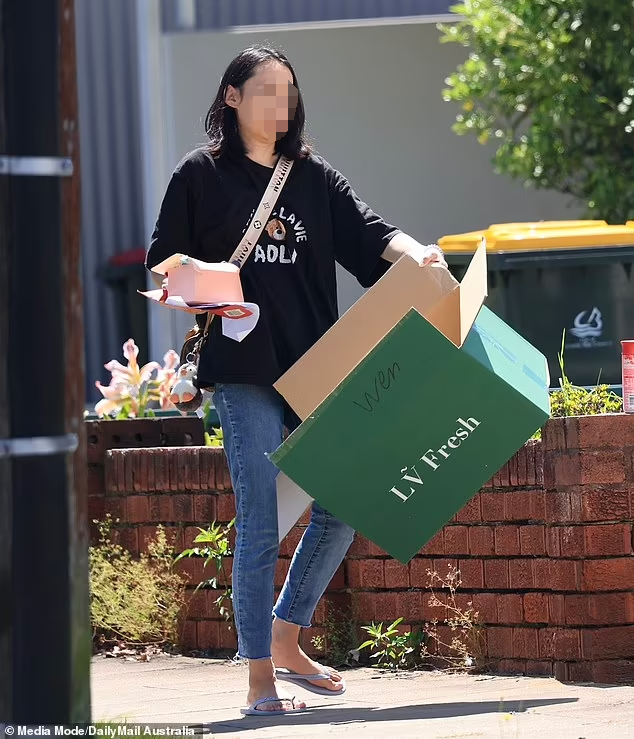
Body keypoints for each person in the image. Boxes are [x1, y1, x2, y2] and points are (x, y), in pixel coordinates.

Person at [146, 45, 448, 716]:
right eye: (266, 90)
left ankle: (286, 635)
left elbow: (370, 233)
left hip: (316, 368)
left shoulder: (311, 175)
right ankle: (260, 677)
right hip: (243, 368)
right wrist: (211, 282)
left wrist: (418, 253)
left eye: (289, 91)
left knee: (345, 503)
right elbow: (163, 263)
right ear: (232, 97)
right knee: (260, 520)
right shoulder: (200, 174)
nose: (280, 104)